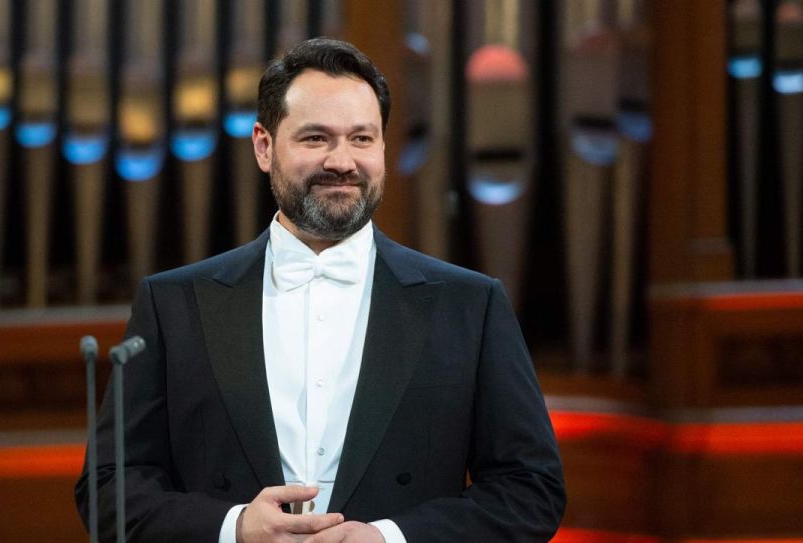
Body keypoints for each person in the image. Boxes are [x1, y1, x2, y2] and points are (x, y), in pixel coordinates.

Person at [75, 37, 565, 542]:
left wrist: (390, 538)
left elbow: (531, 490)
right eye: (315, 138)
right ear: (264, 146)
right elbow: (107, 487)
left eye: (362, 138)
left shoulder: (469, 305)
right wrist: (233, 528)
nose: (342, 161)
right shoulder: (173, 304)